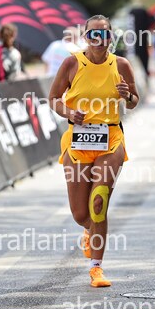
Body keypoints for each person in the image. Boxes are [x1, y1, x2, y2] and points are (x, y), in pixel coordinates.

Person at [48, 15, 139, 288]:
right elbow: (53, 98)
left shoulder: (121, 65)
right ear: (85, 37)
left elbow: (134, 101)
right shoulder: (72, 63)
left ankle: (96, 268)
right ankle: (89, 230)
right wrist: (69, 112)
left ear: (111, 37)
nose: (99, 40)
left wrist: (127, 95)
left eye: (104, 34)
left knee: (98, 202)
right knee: (80, 214)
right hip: (78, 142)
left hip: (110, 139)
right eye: (93, 34)